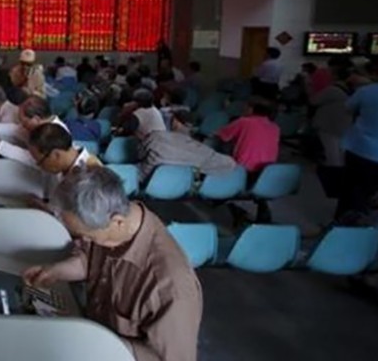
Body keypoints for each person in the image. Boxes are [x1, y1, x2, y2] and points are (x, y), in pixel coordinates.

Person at [23, 166, 202, 361]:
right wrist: (56, 271)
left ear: (117, 222)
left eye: (88, 236)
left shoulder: (170, 287)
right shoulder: (110, 222)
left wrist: (99, 341)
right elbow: (88, 259)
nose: (85, 241)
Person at [335, 59, 378, 223]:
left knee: (352, 190)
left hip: (362, 148)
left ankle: (343, 224)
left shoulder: (368, 91)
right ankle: (375, 228)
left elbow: (347, 108)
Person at [216, 98, 280, 223]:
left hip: (244, 171)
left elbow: (222, 135)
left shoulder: (244, 122)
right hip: (267, 173)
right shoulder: (275, 127)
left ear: (252, 109)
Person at [26, 123, 103, 220]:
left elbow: (84, 222)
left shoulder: (89, 178)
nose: (41, 167)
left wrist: (46, 210)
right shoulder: (67, 164)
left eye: (40, 162)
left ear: (56, 155)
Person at [139, 110, 236, 182]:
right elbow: (230, 163)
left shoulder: (156, 136)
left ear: (175, 122)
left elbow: (139, 155)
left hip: (147, 181)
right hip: (178, 187)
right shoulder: (201, 150)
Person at [0, 95, 68, 165]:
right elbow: (16, 129)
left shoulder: (55, 133)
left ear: (36, 119)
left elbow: (33, 159)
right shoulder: (41, 124)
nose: (22, 125)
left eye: (24, 122)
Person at [310, 67, 352, 167]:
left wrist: (309, 88)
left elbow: (313, 101)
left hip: (329, 124)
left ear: (335, 76)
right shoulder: (349, 89)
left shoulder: (332, 90)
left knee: (331, 150)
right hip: (344, 122)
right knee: (340, 150)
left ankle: (333, 171)